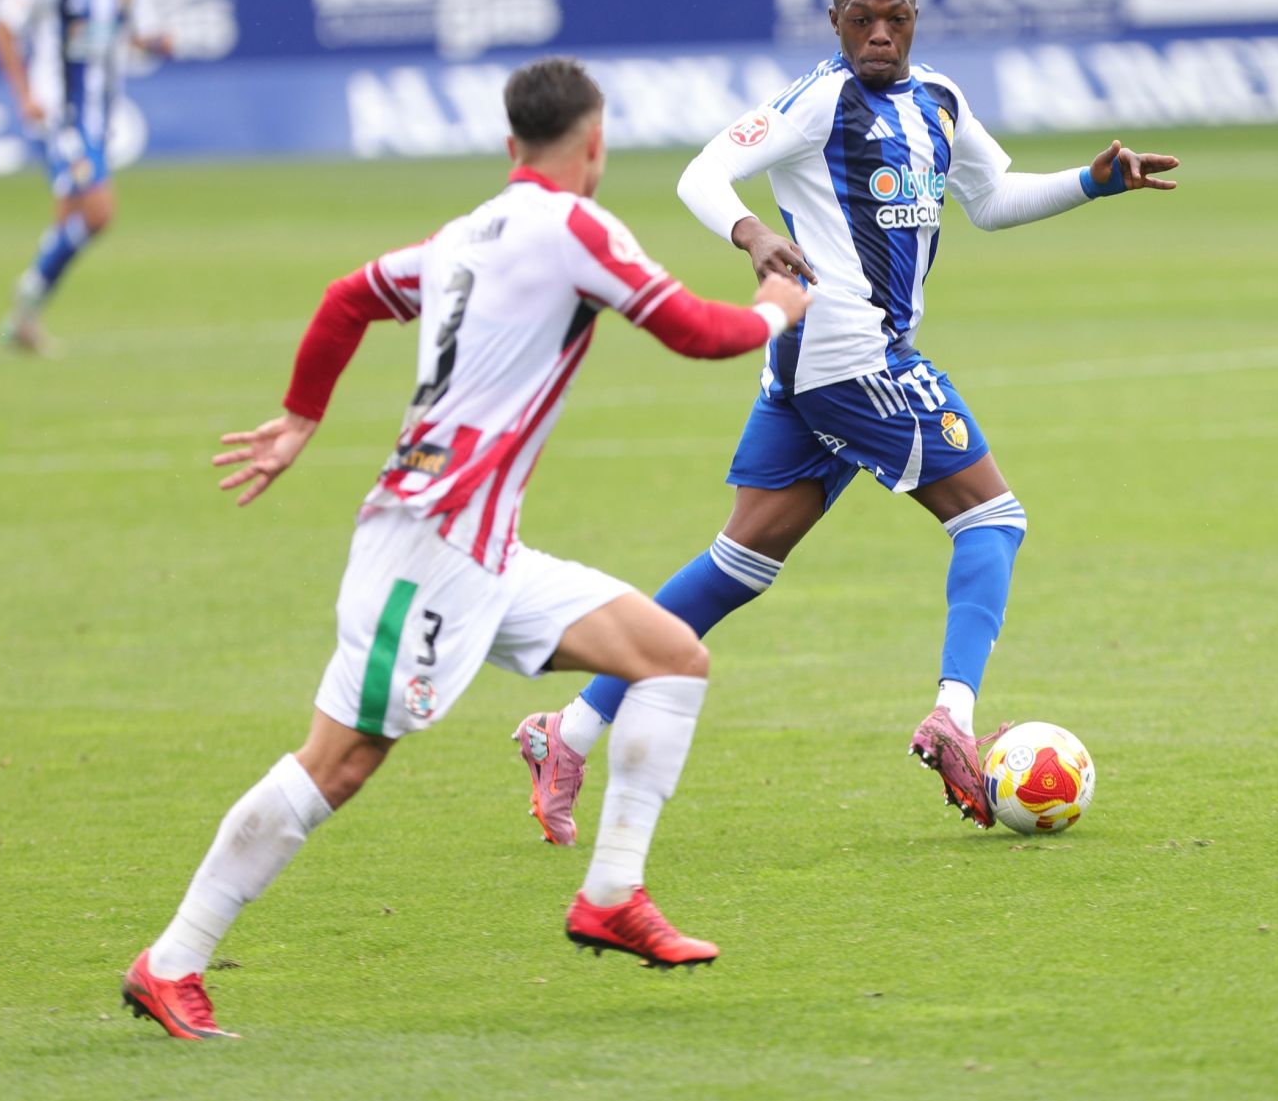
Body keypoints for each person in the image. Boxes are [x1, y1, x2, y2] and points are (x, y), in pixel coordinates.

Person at [120, 58, 810, 1039]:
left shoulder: (460, 236)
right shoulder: (575, 226)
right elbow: (695, 332)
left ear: (509, 145)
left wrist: (299, 417)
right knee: (341, 763)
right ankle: (172, 959)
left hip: (485, 548)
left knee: (670, 657)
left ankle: (611, 894)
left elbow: (347, 295)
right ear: (595, 144)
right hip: (428, 547)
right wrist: (780, 306)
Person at [514, 0, 1178, 845]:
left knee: (739, 563)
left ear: (915, 16)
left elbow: (992, 199)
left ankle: (569, 732)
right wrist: (751, 233)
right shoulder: (818, 100)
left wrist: (1093, 183)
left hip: (810, 369)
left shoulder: (939, 101)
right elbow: (700, 174)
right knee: (993, 519)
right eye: (859, 18)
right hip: (855, 357)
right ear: (834, 21)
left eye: (893, 17)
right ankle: (951, 712)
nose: (877, 33)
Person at [0, 0, 172, 354]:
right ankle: (26, 294)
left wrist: (157, 43)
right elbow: (3, 28)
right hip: (62, 113)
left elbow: (135, 36)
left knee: (69, 219)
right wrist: (25, 95)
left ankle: (24, 318)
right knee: (99, 212)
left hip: (104, 114)